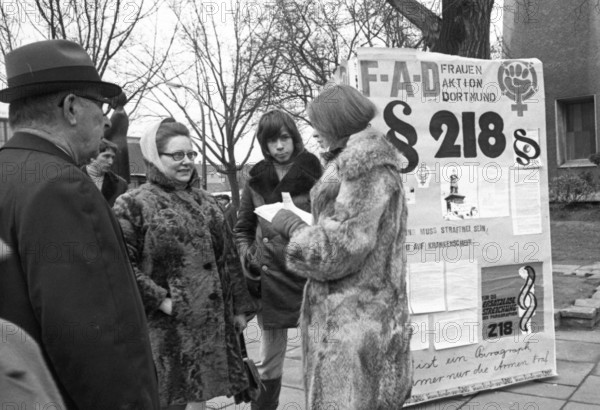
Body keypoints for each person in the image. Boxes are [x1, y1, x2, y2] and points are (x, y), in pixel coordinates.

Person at [0, 39, 160, 409]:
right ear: (71, 107)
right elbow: (97, 341)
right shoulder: (64, 186)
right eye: (99, 106)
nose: (105, 120)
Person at [270, 84, 413, 409]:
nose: (315, 133)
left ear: (337, 125)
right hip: (358, 319)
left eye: (318, 125)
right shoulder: (358, 165)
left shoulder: (363, 169)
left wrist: (292, 228)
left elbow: (342, 248)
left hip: (352, 327)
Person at [113, 119, 256, 409]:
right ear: (155, 156)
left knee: (197, 397)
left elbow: (227, 257)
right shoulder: (133, 204)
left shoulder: (207, 202)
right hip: (165, 327)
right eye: (177, 155)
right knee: (172, 397)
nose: (187, 161)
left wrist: (240, 308)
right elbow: (120, 266)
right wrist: (162, 300)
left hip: (210, 322)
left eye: (191, 154)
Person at [233, 109, 322, 410]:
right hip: (270, 280)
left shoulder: (316, 173)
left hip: (309, 278)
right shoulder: (255, 179)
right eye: (272, 141)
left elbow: (329, 224)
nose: (280, 147)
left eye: (284, 138)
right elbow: (243, 229)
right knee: (269, 361)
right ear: (264, 144)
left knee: (317, 357)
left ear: (294, 138)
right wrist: (251, 258)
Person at [83, 138, 128, 206]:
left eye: (112, 157)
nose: (111, 162)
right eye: (106, 156)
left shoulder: (120, 185)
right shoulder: (73, 179)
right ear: (92, 157)